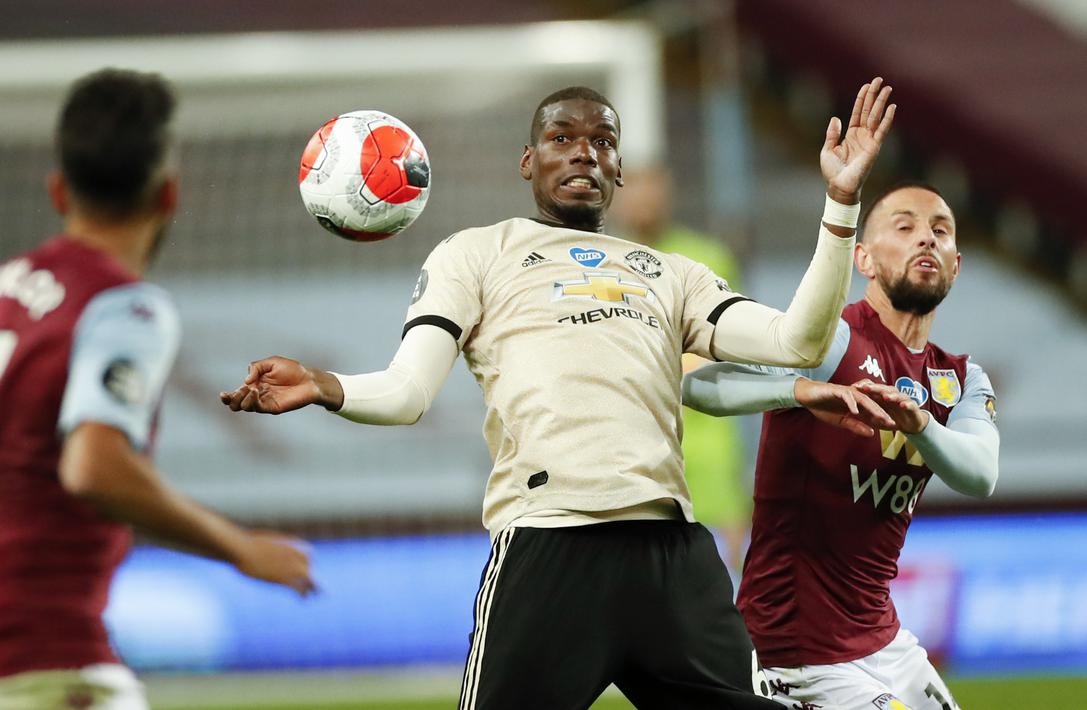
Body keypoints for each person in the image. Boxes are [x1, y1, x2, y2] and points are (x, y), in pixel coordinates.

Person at [222, 78, 896, 709]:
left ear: (618, 170)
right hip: (549, 546)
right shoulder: (477, 254)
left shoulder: (671, 272)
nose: (584, 151)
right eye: (562, 137)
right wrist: (322, 384)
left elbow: (797, 341)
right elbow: (405, 392)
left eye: (602, 140)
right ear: (527, 161)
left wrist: (840, 202)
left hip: (669, 555)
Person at [0, 68, 315, 710]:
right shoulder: (127, 309)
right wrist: (240, 549)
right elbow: (95, 466)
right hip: (33, 652)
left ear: (57, 191)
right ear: (169, 195)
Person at [682, 182, 999, 710]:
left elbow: (980, 473)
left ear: (956, 265)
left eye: (940, 231)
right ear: (864, 260)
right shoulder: (829, 341)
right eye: (905, 227)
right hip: (799, 649)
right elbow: (698, 385)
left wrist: (921, 425)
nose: (926, 239)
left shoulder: (960, 378)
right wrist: (801, 391)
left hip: (882, 638)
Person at [615, 165, 751, 571]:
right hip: (634, 435)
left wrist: (648, 371)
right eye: (635, 193)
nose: (645, 203)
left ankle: (739, 619)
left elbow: (723, 343)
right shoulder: (601, 262)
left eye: (653, 192)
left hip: (706, 430)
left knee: (727, 550)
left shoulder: (706, 257)